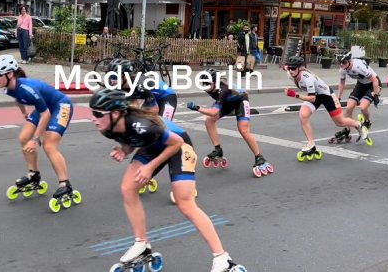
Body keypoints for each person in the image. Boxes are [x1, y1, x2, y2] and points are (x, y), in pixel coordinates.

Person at [88, 88, 245, 272]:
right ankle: (142, 243)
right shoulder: (108, 127)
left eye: (98, 114)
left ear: (115, 114)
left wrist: (150, 166)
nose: (93, 118)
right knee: (128, 189)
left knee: (185, 203)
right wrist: (124, 150)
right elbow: (131, 139)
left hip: (179, 144)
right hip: (154, 145)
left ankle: (222, 258)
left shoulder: (141, 124)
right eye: (92, 113)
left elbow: (176, 143)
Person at [0, 55, 77, 210]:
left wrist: (35, 139)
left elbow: (46, 115)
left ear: (10, 74)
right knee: (23, 138)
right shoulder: (9, 88)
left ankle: (65, 184)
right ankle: (33, 175)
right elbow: (18, 100)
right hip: (44, 108)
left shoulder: (28, 89)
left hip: (60, 106)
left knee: (49, 146)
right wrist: (25, 114)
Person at [185, 68, 272, 176]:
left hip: (240, 100)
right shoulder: (212, 87)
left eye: (207, 83)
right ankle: (218, 149)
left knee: (243, 130)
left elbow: (213, 112)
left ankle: (259, 157)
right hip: (227, 102)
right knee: (209, 121)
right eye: (203, 83)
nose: (205, 86)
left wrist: (196, 107)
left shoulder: (223, 90)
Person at [283, 56, 369, 161]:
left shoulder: (307, 78)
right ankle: (311, 144)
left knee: (340, 122)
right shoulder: (289, 72)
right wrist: (285, 67)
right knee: (303, 115)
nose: (291, 71)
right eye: (289, 68)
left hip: (326, 95)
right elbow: (285, 67)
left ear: (300, 68)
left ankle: (358, 124)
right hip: (316, 95)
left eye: (293, 68)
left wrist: (295, 95)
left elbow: (312, 98)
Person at [107, 59, 177, 120]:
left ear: (125, 76)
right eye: (109, 76)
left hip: (167, 96)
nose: (112, 81)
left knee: (164, 126)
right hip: (150, 95)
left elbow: (154, 110)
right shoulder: (118, 84)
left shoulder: (139, 85)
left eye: (114, 77)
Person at [334, 52, 381, 140]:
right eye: (339, 62)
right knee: (348, 108)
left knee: (363, 107)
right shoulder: (342, 70)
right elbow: (342, 83)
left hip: (373, 85)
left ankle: (367, 122)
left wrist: (376, 95)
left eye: (343, 62)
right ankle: (347, 130)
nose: (341, 65)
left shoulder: (359, 66)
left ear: (349, 61)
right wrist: (338, 97)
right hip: (361, 85)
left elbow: (374, 80)